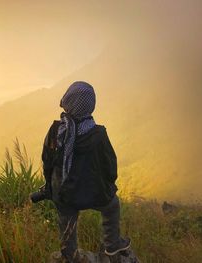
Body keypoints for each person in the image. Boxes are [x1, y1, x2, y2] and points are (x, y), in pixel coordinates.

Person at [41, 81, 130, 263]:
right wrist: (109, 185)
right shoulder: (98, 134)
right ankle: (112, 244)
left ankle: (69, 254)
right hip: (94, 193)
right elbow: (110, 166)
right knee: (112, 205)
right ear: (91, 105)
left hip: (65, 194)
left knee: (66, 218)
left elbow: (47, 160)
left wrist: (50, 184)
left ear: (68, 101)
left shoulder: (56, 130)